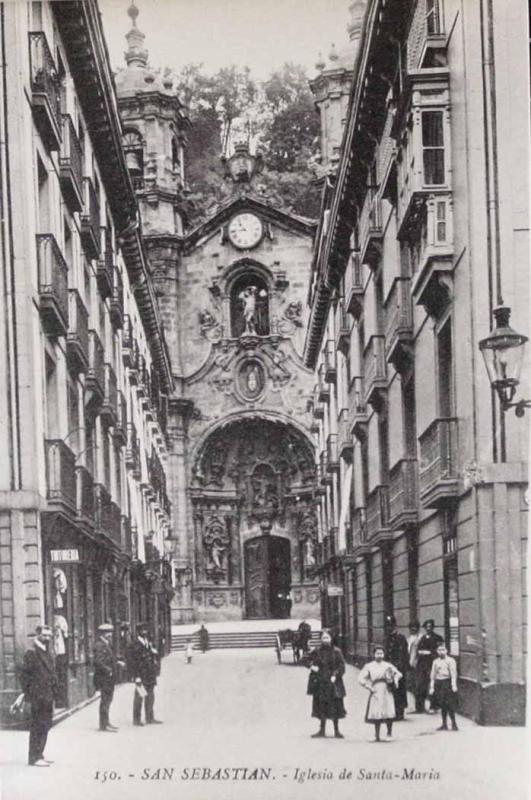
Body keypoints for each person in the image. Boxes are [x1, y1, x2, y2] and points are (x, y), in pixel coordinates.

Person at [19, 624, 58, 766]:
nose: (47, 638)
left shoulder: (47, 651)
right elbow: (24, 676)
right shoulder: (32, 653)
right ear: (38, 635)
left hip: (48, 695)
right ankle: (33, 758)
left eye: (49, 635)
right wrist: (30, 693)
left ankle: (40, 753)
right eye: (44, 635)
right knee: (37, 726)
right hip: (38, 696)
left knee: (46, 725)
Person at [307, 629, 346, 739]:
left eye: (327, 637)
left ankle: (336, 730)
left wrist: (336, 674)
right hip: (320, 681)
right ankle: (322, 730)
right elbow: (304, 659)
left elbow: (342, 665)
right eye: (323, 638)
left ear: (331, 638)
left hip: (333, 682)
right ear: (320, 639)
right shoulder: (316, 651)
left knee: (335, 706)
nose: (325, 640)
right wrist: (311, 666)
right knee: (321, 705)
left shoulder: (337, 651)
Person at [359, 644, 402, 742]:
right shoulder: (369, 666)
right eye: (377, 653)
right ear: (373, 654)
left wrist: (394, 680)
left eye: (381, 653)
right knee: (376, 711)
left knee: (388, 710)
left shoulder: (388, 665)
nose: (379, 655)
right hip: (376, 689)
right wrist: (368, 687)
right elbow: (361, 678)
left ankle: (389, 733)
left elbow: (399, 674)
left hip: (387, 689)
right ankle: (376, 735)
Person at [130, 623, 162, 726]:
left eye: (146, 630)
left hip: (150, 674)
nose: (145, 632)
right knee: (140, 696)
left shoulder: (148, 642)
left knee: (150, 696)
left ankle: (150, 717)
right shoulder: (135, 644)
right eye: (143, 630)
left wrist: (154, 653)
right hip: (141, 674)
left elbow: (154, 656)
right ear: (138, 631)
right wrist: (136, 676)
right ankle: (136, 719)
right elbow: (133, 662)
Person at [93, 623, 121, 732]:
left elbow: (108, 658)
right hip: (104, 678)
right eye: (108, 633)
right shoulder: (99, 645)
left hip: (109, 678)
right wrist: (108, 670)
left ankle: (106, 722)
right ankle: (103, 725)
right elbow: (98, 662)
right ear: (103, 634)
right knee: (105, 700)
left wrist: (117, 661)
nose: (110, 635)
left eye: (111, 633)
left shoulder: (107, 644)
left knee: (108, 700)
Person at [383, 615, 409, 721]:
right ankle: (392, 711)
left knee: (400, 690)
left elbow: (404, 654)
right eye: (387, 626)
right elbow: (386, 653)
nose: (389, 628)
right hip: (389, 668)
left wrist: (399, 667)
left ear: (395, 626)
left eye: (391, 625)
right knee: (391, 690)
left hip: (398, 669)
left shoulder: (401, 638)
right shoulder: (386, 638)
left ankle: (400, 712)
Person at [415, 619, 443, 713]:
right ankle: (419, 707)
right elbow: (418, 650)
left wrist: (428, 652)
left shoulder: (437, 638)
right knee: (420, 685)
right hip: (422, 665)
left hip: (432, 664)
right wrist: (421, 652)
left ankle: (434, 706)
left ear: (433, 627)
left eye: (430, 626)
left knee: (432, 685)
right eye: (426, 627)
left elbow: (438, 651)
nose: (428, 628)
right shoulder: (422, 638)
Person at [429, 642, 459, 731]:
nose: (441, 652)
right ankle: (444, 724)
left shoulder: (451, 661)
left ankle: (454, 723)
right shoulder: (435, 661)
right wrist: (432, 686)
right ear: (437, 651)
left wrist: (454, 685)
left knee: (449, 704)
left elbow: (453, 674)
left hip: (447, 683)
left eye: (443, 650)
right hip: (439, 683)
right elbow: (433, 675)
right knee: (442, 704)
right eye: (439, 650)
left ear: (447, 651)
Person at [406, 621, 422, 711]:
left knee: (417, 686)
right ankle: (412, 705)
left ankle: (418, 706)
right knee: (410, 685)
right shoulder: (409, 638)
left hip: (417, 664)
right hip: (409, 664)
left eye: (415, 627)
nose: (413, 629)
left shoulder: (420, 638)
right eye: (411, 627)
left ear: (418, 628)